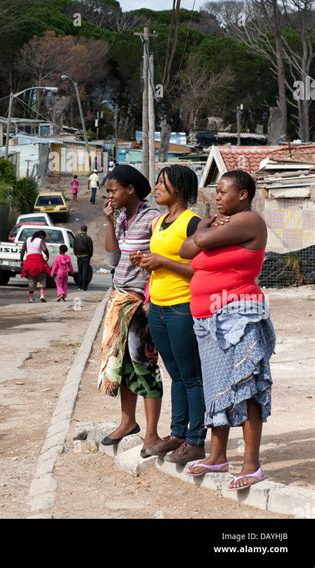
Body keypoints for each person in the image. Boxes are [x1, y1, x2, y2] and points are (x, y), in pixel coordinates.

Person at [180, 170, 276, 490]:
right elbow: (185, 250)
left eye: (222, 192)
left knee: (247, 389)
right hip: (208, 320)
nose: (217, 197)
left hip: (238, 316)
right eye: (216, 192)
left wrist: (204, 227)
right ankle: (217, 457)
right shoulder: (223, 225)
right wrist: (207, 227)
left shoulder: (250, 221)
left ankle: (252, 464)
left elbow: (199, 241)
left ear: (243, 195)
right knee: (218, 390)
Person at [131, 165, 206, 463]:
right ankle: (177, 434)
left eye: (163, 183)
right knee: (175, 374)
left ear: (180, 188)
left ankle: (196, 439)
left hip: (182, 307)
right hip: (158, 308)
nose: (157, 187)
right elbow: (162, 263)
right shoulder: (158, 222)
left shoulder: (194, 223)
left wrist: (162, 260)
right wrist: (147, 261)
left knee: (191, 377)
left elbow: (198, 270)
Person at [98, 165, 163, 452]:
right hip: (120, 300)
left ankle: (152, 434)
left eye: (113, 190)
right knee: (123, 366)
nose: (109, 196)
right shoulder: (124, 218)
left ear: (130, 189)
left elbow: (163, 257)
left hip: (141, 304)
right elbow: (113, 258)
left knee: (145, 366)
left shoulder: (153, 219)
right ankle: (127, 422)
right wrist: (110, 222)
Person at [20, 230, 50, 303]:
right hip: (39, 261)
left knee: (31, 280)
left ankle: (31, 298)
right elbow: (44, 249)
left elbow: (22, 250)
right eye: (44, 237)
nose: (44, 239)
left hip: (29, 261)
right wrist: (47, 255)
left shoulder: (27, 240)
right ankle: (42, 296)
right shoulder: (40, 240)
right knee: (42, 278)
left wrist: (21, 260)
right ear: (42, 236)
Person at [73, 225, 93, 291]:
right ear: (86, 230)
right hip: (86, 256)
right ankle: (84, 287)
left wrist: (76, 254)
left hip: (79, 257)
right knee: (85, 272)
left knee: (80, 271)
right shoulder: (88, 238)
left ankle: (79, 286)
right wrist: (90, 256)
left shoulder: (76, 237)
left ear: (81, 229)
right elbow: (91, 248)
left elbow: (74, 247)